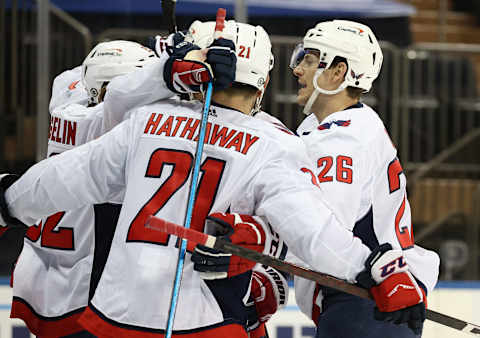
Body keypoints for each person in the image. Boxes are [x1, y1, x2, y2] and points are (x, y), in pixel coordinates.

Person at [0, 20, 424, 337]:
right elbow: (313, 233)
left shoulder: (145, 122)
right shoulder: (274, 143)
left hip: (116, 319)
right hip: (200, 320)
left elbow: (65, 178)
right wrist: (375, 268)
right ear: (260, 82)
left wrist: (9, 201)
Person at [289, 20, 440, 337]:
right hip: (373, 299)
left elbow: (321, 228)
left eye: (310, 59)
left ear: (338, 72)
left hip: (364, 301)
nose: (298, 69)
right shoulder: (347, 124)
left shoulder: (343, 138)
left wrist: (255, 236)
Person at [10, 40, 158, 337]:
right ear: (103, 92)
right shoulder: (104, 128)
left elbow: (88, 76)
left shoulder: (67, 96)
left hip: (52, 278)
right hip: (87, 289)